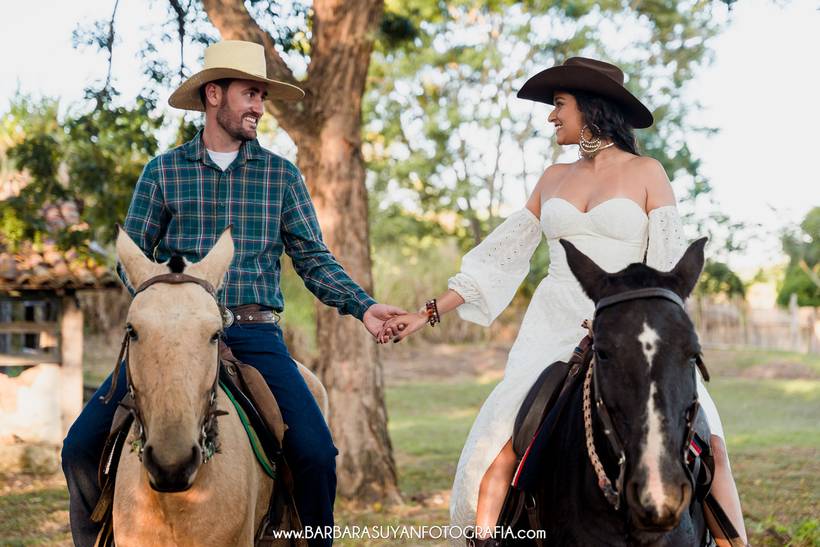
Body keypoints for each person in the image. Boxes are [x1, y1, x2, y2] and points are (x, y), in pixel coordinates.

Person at [380, 57, 748, 547]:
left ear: (591, 108)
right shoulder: (553, 177)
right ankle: (484, 540)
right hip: (552, 325)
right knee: (498, 451)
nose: (552, 116)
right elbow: (501, 255)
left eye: (559, 105)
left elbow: (666, 268)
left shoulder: (647, 172)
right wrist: (427, 312)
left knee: (712, 449)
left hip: (628, 326)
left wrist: (637, 322)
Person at [61, 40, 404, 547]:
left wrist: (366, 307)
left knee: (315, 453)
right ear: (214, 94)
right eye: (250, 94)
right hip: (170, 334)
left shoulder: (281, 175)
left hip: (255, 335)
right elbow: (127, 258)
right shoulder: (163, 172)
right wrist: (171, 306)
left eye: (263, 96)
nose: (260, 108)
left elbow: (312, 258)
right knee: (79, 448)